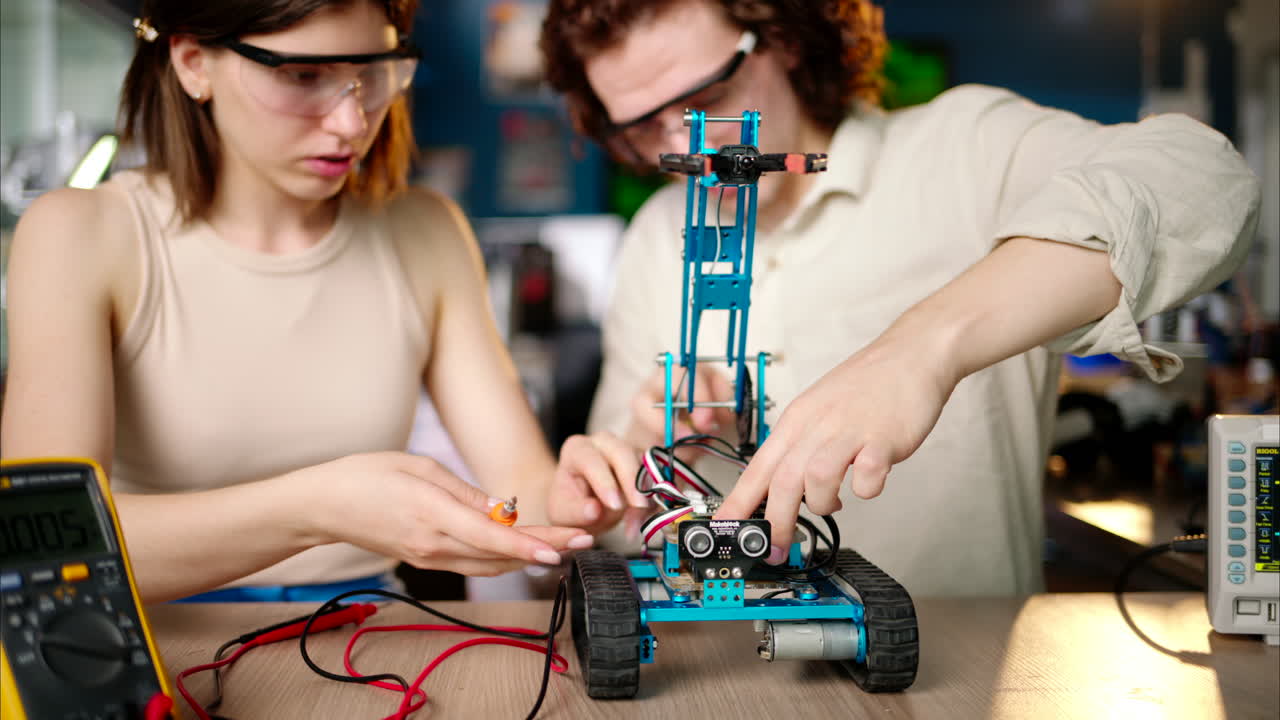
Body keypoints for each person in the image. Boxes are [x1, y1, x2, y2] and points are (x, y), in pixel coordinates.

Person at [540, 0, 1261, 595]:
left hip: (953, 685)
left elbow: (1204, 180)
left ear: (783, 38)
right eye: (640, 127)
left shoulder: (963, 153)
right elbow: (614, 523)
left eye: (706, 100)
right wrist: (640, 458)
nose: (685, 146)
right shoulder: (654, 237)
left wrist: (921, 348)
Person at [0, 0, 648, 604]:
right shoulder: (80, 234)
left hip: (362, 638)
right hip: (154, 642)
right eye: (304, 75)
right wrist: (318, 508)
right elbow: (48, 540)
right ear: (194, 63)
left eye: (376, 73)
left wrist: (575, 496)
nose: (352, 121)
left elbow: (523, 492)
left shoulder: (426, 231)